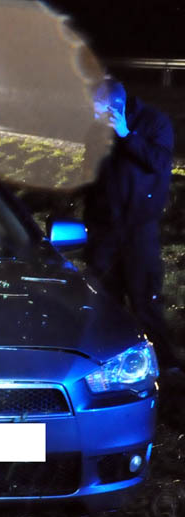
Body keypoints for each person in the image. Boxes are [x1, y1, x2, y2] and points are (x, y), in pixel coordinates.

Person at [83, 78, 179, 370]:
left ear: (114, 106)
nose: (94, 115)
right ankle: (108, 365)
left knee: (144, 301)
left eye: (98, 109)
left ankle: (167, 364)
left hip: (139, 229)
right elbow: (91, 176)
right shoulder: (96, 132)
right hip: (105, 232)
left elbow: (161, 163)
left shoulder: (153, 123)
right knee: (103, 302)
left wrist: (127, 135)